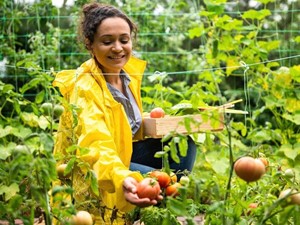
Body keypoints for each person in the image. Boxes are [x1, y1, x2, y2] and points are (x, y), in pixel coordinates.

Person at [52, 2, 197, 225]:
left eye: (124, 40)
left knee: (181, 144)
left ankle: (146, 206)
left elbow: (121, 122)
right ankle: (140, 201)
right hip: (91, 166)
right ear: (91, 45)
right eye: (107, 41)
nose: (118, 48)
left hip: (121, 154)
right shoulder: (85, 87)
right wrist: (124, 178)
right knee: (156, 183)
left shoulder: (127, 75)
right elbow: (95, 143)